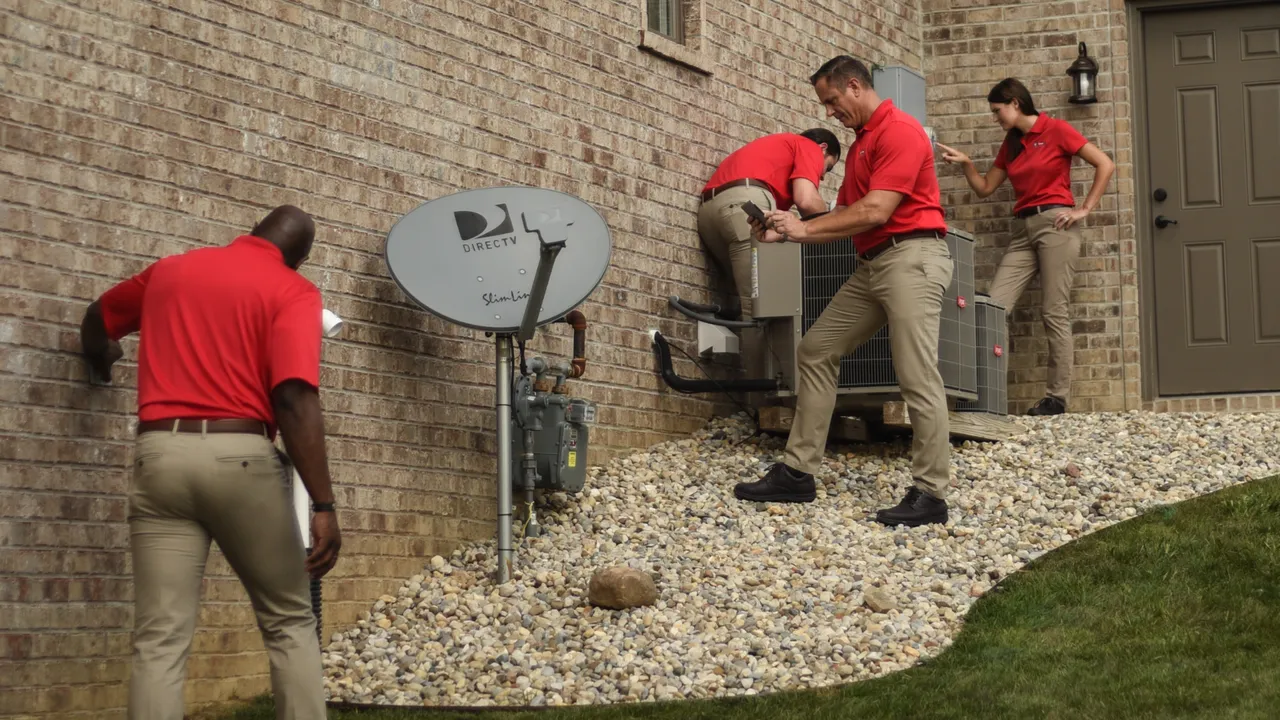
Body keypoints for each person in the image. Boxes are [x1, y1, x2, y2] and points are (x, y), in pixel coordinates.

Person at [79, 205, 341, 720]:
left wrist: (100, 356)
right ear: (299, 259)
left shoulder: (172, 270)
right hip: (239, 458)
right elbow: (293, 397)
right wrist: (324, 504)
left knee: (159, 638)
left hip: (160, 457)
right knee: (289, 621)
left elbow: (98, 318)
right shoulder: (292, 291)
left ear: (250, 233)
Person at [735, 56, 955, 528]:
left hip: (912, 258)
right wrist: (783, 231)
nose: (830, 112)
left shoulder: (900, 131)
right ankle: (797, 472)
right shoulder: (861, 146)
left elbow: (876, 210)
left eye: (832, 101)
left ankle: (931, 493)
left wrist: (801, 228)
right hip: (873, 265)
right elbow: (848, 215)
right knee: (815, 350)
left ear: (855, 86)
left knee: (917, 373)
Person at [936, 78, 1115, 416]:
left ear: (1015, 103)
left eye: (997, 110)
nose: (995, 117)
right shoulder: (1012, 143)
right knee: (993, 309)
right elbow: (986, 188)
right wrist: (966, 165)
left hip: (1055, 226)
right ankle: (988, 400)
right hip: (1022, 230)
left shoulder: (1056, 130)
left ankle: (1056, 398)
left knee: (1053, 311)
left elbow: (1105, 164)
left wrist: (1084, 209)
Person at [696, 129, 841, 383]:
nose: (821, 177)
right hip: (747, 206)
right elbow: (807, 201)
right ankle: (763, 400)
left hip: (711, 213)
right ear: (822, 148)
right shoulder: (807, 147)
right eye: (826, 170)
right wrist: (837, 224)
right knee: (760, 305)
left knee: (751, 297)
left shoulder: (774, 148)